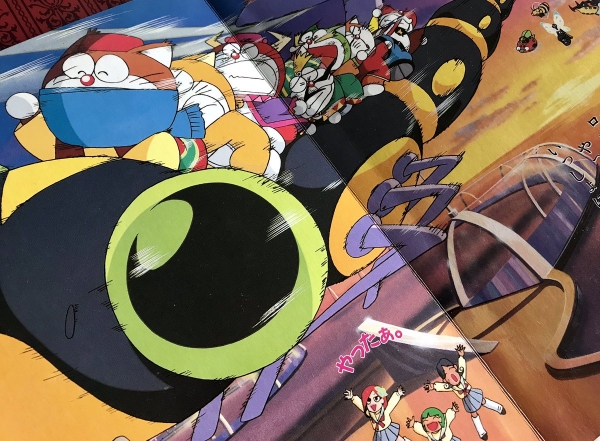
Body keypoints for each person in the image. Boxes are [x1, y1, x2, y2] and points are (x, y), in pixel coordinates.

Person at [423, 345, 505, 440]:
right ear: (445, 380)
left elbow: (462, 366)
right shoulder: (450, 386)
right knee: (473, 413)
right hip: (466, 399)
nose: (450, 373)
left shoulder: (461, 374)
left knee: (483, 401)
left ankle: (498, 408)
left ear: (455, 367)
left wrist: (461, 356)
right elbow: (442, 386)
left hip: (472, 392)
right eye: (446, 374)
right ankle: (481, 432)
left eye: (450, 369)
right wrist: (433, 386)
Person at [345, 385, 411, 441]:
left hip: (388, 431)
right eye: (368, 401)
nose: (372, 403)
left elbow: (392, 403)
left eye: (376, 398)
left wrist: (397, 394)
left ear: (382, 400)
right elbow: (361, 405)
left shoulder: (385, 412)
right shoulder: (369, 413)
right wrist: (353, 397)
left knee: (397, 439)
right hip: (379, 434)